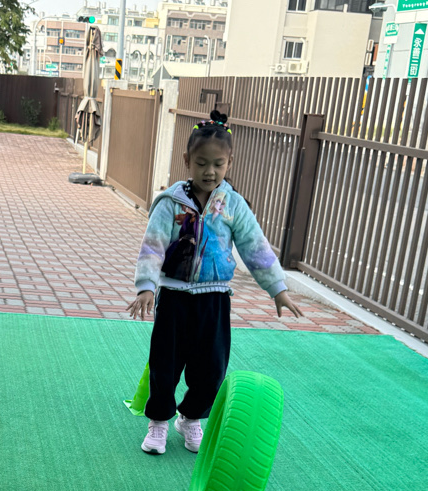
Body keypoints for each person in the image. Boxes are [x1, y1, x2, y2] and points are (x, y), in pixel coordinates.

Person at [128, 110, 303, 456]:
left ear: (229, 163)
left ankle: (190, 418)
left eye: (218, 164)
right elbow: (153, 244)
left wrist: (277, 288)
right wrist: (147, 286)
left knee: (211, 369)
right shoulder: (171, 203)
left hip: (214, 299)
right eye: (201, 163)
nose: (209, 171)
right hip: (174, 297)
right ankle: (158, 422)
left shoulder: (233, 205)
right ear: (187, 161)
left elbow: (255, 246)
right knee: (165, 364)